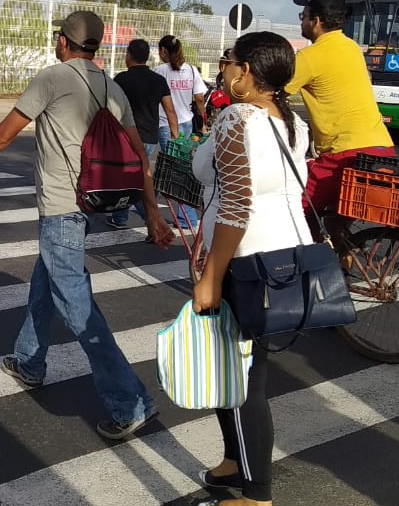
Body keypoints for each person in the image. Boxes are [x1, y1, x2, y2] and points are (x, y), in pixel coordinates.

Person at [0, 11, 175, 440]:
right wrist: (153, 212)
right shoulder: (112, 85)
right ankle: (29, 361)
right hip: (89, 205)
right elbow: (138, 154)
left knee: (77, 307)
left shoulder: (51, 78)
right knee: (45, 282)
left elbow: (4, 135)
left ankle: (130, 401)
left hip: (63, 209)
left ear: (64, 42)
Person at [190, 31, 311, 506]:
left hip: (247, 261)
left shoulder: (237, 116)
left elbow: (237, 205)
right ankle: (233, 460)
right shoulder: (290, 121)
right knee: (233, 368)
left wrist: (210, 277)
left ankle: (256, 495)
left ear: (247, 72)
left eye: (229, 60)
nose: (224, 68)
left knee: (245, 381)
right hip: (288, 255)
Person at [286, 0, 396, 238]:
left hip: (343, 154)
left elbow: (274, 93)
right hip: (381, 148)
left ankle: (313, 263)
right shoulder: (352, 48)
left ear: (316, 21)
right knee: (338, 219)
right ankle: (344, 259)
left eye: (303, 16)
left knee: (299, 208)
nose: (301, 21)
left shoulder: (310, 57)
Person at [108, 38, 179, 231]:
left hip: (127, 138)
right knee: (136, 177)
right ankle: (121, 217)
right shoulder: (158, 80)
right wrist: (176, 135)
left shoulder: (122, 79)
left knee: (130, 180)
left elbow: (111, 109)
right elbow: (170, 110)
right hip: (149, 138)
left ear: (129, 56)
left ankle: (150, 219)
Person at [155, 34, 207, 230]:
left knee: (171, 170)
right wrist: (203, 122)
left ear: (163, 51)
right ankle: (185, 216)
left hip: (166, 123)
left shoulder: (160, 71)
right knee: (184, 167)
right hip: (186, 122)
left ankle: (185, 217)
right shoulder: (192, 71)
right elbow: (200, 99)